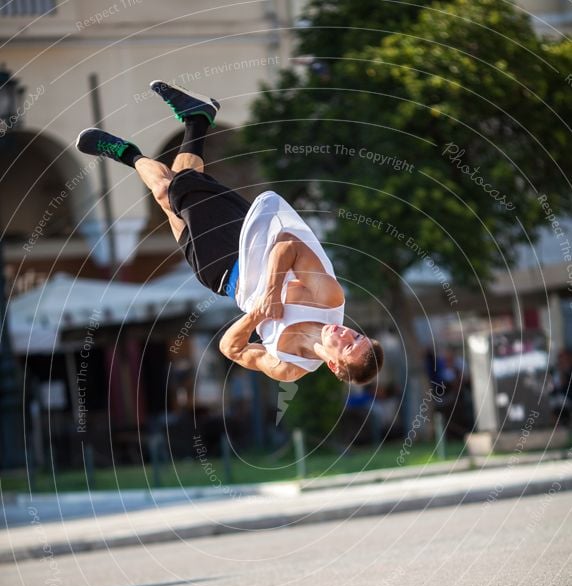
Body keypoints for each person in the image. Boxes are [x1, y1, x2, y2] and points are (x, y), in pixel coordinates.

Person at [76, 81, 383, 385]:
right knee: (168, 189)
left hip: (220, 279)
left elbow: (230, 348)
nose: (345, 334)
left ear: (333, 364)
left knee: (175, 199)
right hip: (244, 243)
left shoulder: (289, 366)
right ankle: (125, 151)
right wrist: (272, 293)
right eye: (356, 335)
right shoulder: (327, 299)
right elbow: (287, 245)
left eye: (347, 346)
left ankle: (197, 118)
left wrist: (257, 315)